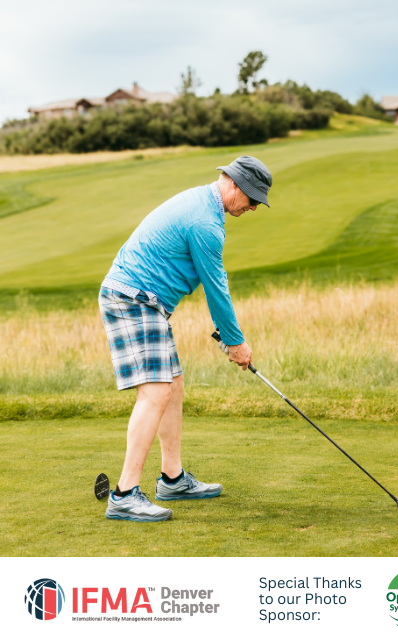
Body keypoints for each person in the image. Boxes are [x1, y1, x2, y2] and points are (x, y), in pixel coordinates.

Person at [98, 156, 273, 522]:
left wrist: (229, 337)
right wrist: (236, 342)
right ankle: (124, 494)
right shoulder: (206, 222)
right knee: (157, 390)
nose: (254, 207)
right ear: (235, 185)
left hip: (144, 301)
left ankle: (173, 479)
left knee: (173, 384)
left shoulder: (204, 205)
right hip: (133, 299)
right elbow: (216, 289)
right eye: (253, 198)